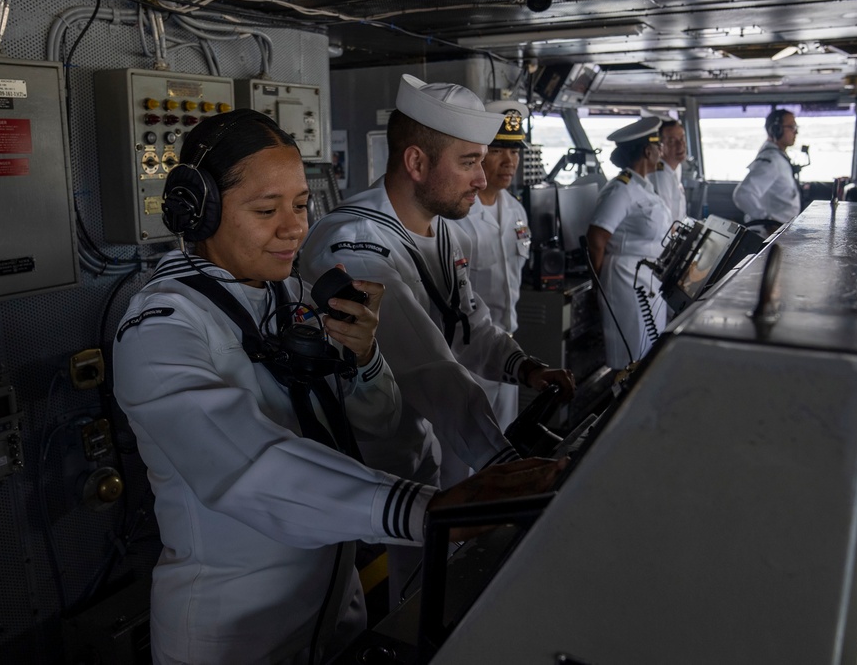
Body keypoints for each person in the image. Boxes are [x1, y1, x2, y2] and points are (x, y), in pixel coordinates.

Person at [112, 109, 566, 664]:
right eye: (266, 210)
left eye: (301, 205)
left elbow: (384, 441)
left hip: (336, 609)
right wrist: (425, 509)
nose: (295, 228)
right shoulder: (161, 326)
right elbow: (245, 464)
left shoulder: (297, 299)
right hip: (233, 633)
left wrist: (365, 364)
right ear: (198, 212)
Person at [298, 76, 575, 601]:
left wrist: (524, 367)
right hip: (360, 460)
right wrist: (510, 467)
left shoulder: (441, 229)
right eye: (469, 162)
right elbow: (432, 369)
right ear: (418, 164)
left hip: (414, 440)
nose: (482, 178)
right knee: (405, 600)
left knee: (431, 583)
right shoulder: (357, 244)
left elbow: (468, 323)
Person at [451, 100, 532, 429]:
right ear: (480, 154)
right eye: (499, 150)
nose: (509, 161)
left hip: (507, 345)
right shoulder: (456, 215)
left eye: (514, 151)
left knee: (504, 440)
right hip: (465, 353)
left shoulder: (516, 211)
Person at [586, 116, 672, 370]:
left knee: (649, 355)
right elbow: (596, 238)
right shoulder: (621, 189)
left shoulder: (642, 186)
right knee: (631, 358)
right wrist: (600, 282)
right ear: (648, 150)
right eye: (659, 146)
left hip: (648, 277)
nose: (662, 151)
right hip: (624, 278)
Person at [732, 108, 802, 235]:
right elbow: (743, 193)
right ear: (776, 129)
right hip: (767, 235)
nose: (796, 132)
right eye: (791, 127)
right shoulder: (772, 160)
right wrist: (767, 222)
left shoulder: (777, 157)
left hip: (779, 232)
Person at [649, 119, 688, 224]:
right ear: (660, 146)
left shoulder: (675, 168)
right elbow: (665, 222)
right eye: (672, 141)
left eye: (682, 138)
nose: (681, 145)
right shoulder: (661, 175)